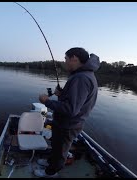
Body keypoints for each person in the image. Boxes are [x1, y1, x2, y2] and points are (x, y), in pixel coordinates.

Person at [34, 47, 100, 177]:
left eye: (66, 59)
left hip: (68, 125)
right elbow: (76, 102)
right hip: (67, 122)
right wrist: (62, 94)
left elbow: (71, 109)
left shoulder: (81, 78)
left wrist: (46, 101)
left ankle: (51, 172)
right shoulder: (84, 75)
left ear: (74, 58)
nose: (64, 62)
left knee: (60, 151)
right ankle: (50, 162)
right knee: (56, 146)